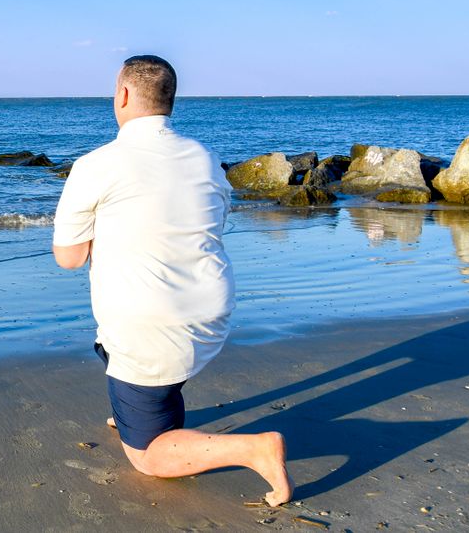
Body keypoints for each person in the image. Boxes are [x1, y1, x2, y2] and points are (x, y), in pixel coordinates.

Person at [52, 55, 293, 507]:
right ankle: (139, 407)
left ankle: (253, 449)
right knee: (131, 346)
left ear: (122, 95)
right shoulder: (205, 157)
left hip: (150, 326)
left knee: (147, 459)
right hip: (210, 312)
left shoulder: (96, 164)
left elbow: (68, 258)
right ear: (169, 100)